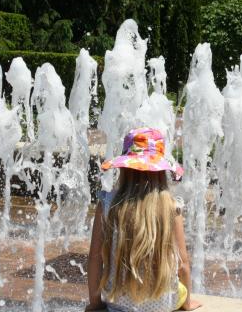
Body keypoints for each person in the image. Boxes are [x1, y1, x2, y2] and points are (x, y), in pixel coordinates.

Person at [85, 127, 202, 312]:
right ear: (160, 170)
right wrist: (186, 304)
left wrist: (95, 304)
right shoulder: (171, 207)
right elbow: (183, 265)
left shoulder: (107, 204)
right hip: (163, 305)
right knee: (177, 288)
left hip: (118, 304)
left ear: (125, 167)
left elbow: (95, 258)